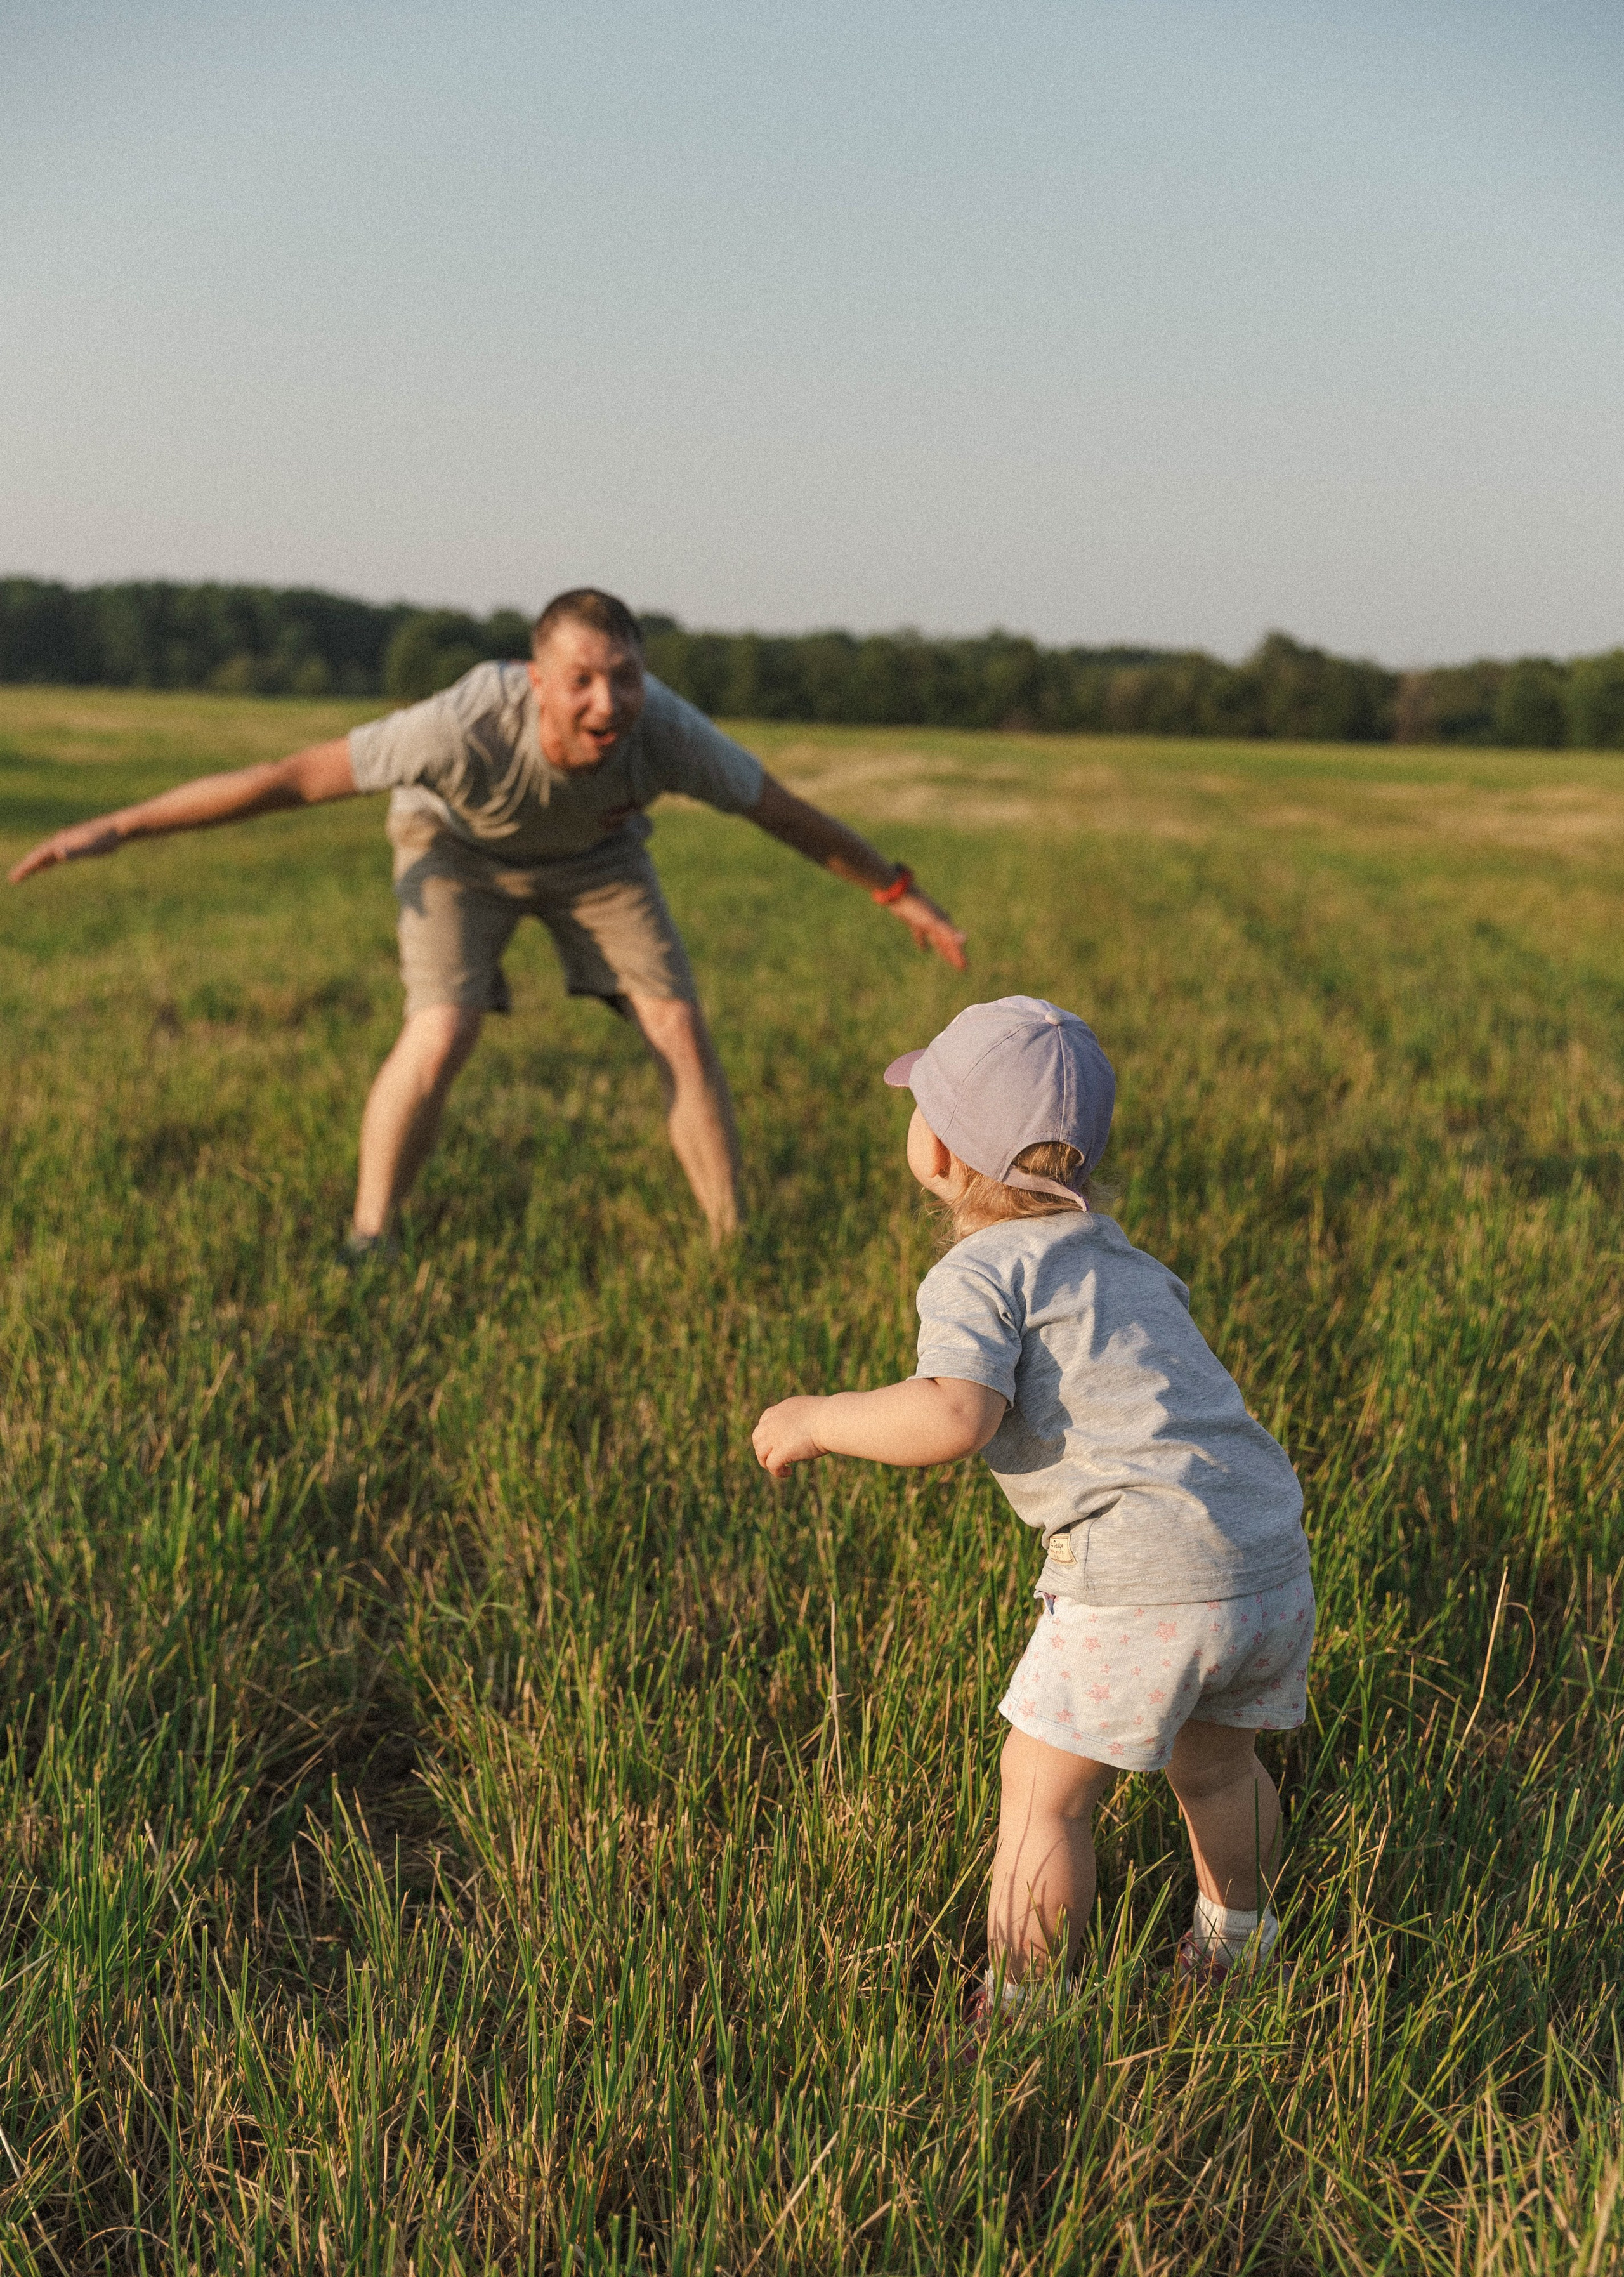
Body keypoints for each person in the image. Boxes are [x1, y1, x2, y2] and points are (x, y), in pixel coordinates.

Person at [8, 589, 967, 1248]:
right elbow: (289, 780)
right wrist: (118, 827)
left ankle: (733, 1239)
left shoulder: (665, 729)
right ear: (535, 677)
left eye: (626, 676)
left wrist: (897, 889)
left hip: (597, 857)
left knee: (678, 1025)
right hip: (454, 851)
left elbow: (783, 813)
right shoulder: (463, 724)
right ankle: (371, 1235)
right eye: (585, 678)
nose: (610, 700)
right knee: (443, 1028)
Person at [751, 995, 1315, 2024]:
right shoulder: (1129, 1262)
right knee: (1221, 1763)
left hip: (1141, 1580)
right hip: (1266, 1553)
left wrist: (820, 1416)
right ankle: (1242, 1944)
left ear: (939, 1149)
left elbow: (955, 1413)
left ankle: (1021, 2007)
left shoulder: (978, 1271)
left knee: (1044, 1793)